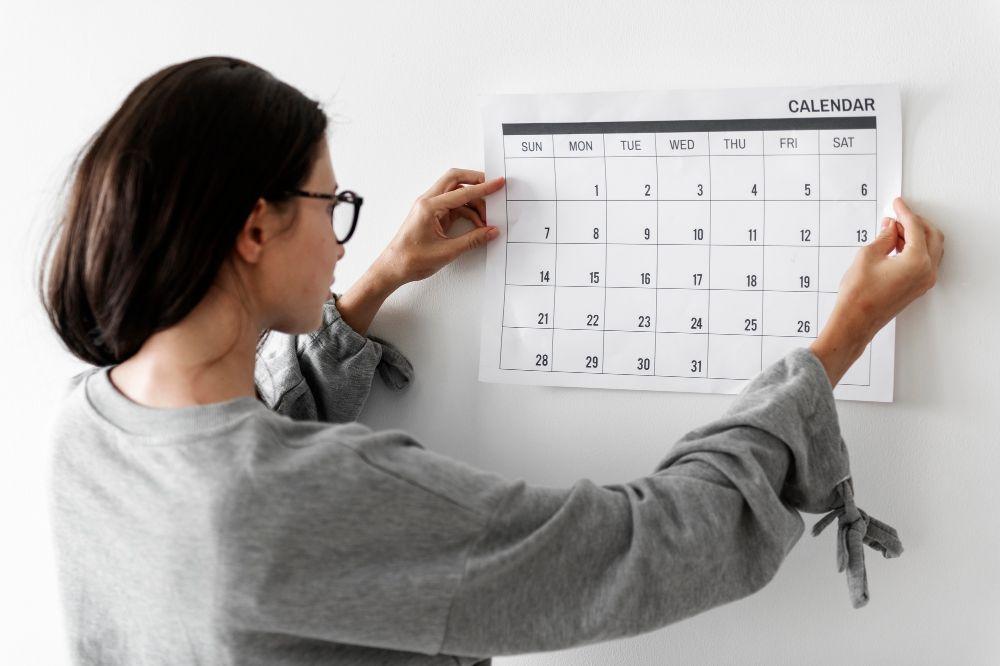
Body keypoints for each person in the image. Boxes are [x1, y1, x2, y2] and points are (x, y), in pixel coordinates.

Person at [39, 56, 943, 666]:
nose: (344, 238)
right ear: (253, 228)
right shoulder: (301, 498)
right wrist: (839, 342)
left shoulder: (90, 425)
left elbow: (241, 458)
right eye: (330, 204)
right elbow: (649, 547)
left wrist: (375, 284)